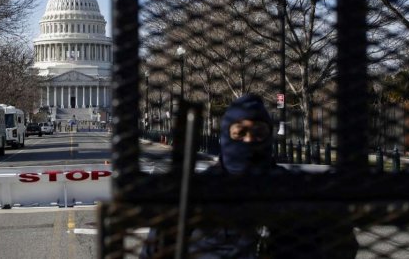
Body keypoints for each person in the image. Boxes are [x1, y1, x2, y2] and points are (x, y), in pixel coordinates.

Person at [140, 94, 358, 258]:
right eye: (240, 133)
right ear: (226, 137)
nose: (249, 141)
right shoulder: (194, 191)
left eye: (258, 133)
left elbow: (340, 247)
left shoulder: (295, 188)